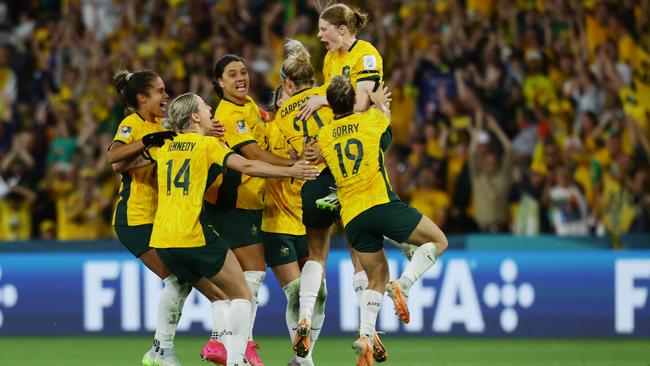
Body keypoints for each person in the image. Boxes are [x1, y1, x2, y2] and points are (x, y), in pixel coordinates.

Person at [146, 92, 318, 366]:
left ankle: (162, 349)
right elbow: (247, 164)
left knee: (201, 291)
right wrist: (292, 171)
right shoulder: (206, 146)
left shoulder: (164, 147)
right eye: (204, 106)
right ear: (194, 116)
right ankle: (236, 359)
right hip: (192, 236)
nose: (210, 108)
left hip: (162, 240)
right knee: (242, 294)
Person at [316, 76, 448, 366]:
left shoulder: (325, 135)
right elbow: (386, 133)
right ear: (353, 101)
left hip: (352, 218)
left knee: (375, 279)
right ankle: (405, 284)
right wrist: (380, 104)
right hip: (379, 203)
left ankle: (365, 335)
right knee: (438, 240)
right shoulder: (370, 122)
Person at [106, 69, 227, 366]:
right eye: (160, 91)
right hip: (135, 219)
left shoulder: (164, 124)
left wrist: (204, 133)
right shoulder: (131, 124)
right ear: (142, 97)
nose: (167, 96)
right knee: (177, 280)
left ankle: (162, 350)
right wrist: (150, 140)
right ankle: (161, 351)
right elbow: (113, 157)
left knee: (180, 282)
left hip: (162, 220)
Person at [208, 54, 300, 365]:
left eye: (243, 71)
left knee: (240, 279)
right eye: (232, 74)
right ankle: (238, 345)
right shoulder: (229, 115)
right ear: (220, 82)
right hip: (234, 204)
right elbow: (252, 153)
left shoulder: (248, 107)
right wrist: (293, 166)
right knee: (252, 275)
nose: (240, 78)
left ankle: (225, 342)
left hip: (249, 204)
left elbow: (269, 122)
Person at [298, 3, 384, 212]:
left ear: (342, 29)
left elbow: (361, 105)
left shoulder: (366, 55)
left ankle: (404, 238)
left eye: (324, 29)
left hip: (363, 140)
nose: (319, 35)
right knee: (349, 220)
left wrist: (322, 100)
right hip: (339, 141)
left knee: (366, 210)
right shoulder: (330, 57)